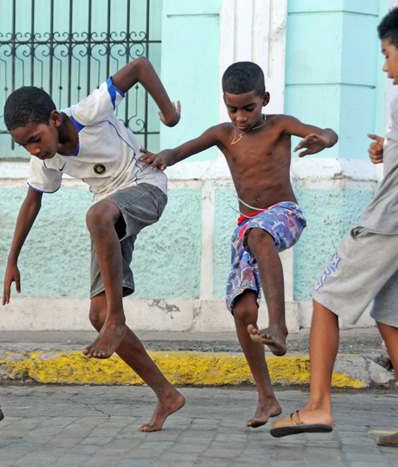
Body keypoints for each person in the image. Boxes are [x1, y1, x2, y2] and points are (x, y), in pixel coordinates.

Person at [266, 3, 398, 449]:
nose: (385, 65)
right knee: (394, 320)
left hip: (392, 222)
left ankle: (317, 404)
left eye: (387, 54)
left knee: (325, 299)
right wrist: (393, 148)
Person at [140, 61, 338, 427]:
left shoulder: (281, 125)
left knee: (260, 235)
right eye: (233, 109)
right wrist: (162, 158)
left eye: (249, 108)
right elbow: (181, 151)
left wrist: (323, 138)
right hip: (247, 226)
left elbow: (325, 131)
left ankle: (278, 326)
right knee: (243, 311)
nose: (241, 116)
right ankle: (267, 399)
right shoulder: (222, 133)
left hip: (283, 214)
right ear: (225, 104)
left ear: (264, 99)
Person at [2, 56, 185, 431]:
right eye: (25, 146)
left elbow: (140, 67)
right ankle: (167, 394)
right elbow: (32, 201)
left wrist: (168, 114)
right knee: (96, 315)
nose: (34, 150)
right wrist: (12, 259)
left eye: (36, 139)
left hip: (146, 186)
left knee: (96, 215)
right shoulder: (45, 161)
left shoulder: (90, 111)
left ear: (54, 119)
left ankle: (117, 319)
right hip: (112, 212)